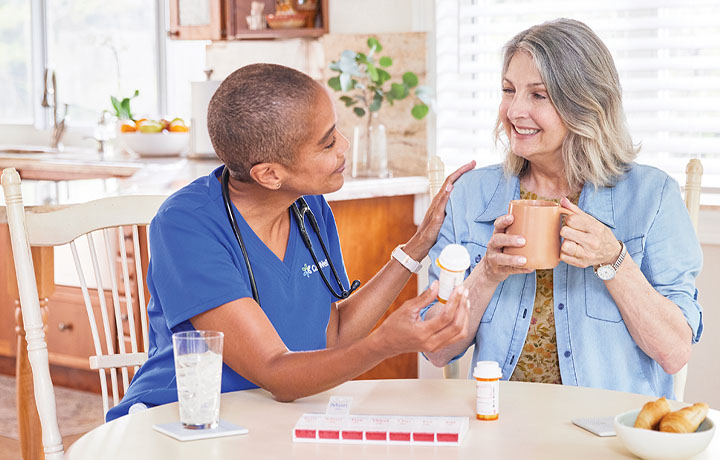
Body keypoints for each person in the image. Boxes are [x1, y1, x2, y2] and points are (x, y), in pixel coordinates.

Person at [106, 63, 475, 421]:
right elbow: (276, 373)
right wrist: (386, 344)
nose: (344, 146)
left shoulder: (308, 207)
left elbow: (335, 334)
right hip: (184, 421)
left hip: (272, 418)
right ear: (269, 174)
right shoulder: (186, 227)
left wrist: (417, 246)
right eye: (328, 142)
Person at [423, 18, 702, 398]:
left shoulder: (653, 197)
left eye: (538, 95)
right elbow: (437, 349)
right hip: (500, 423)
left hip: (607, 433)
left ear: (585, 103)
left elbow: (674, 352)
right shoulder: (470, 196)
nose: (514, 111)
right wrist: (485, 274)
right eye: (509, 90)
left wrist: (613, 260)